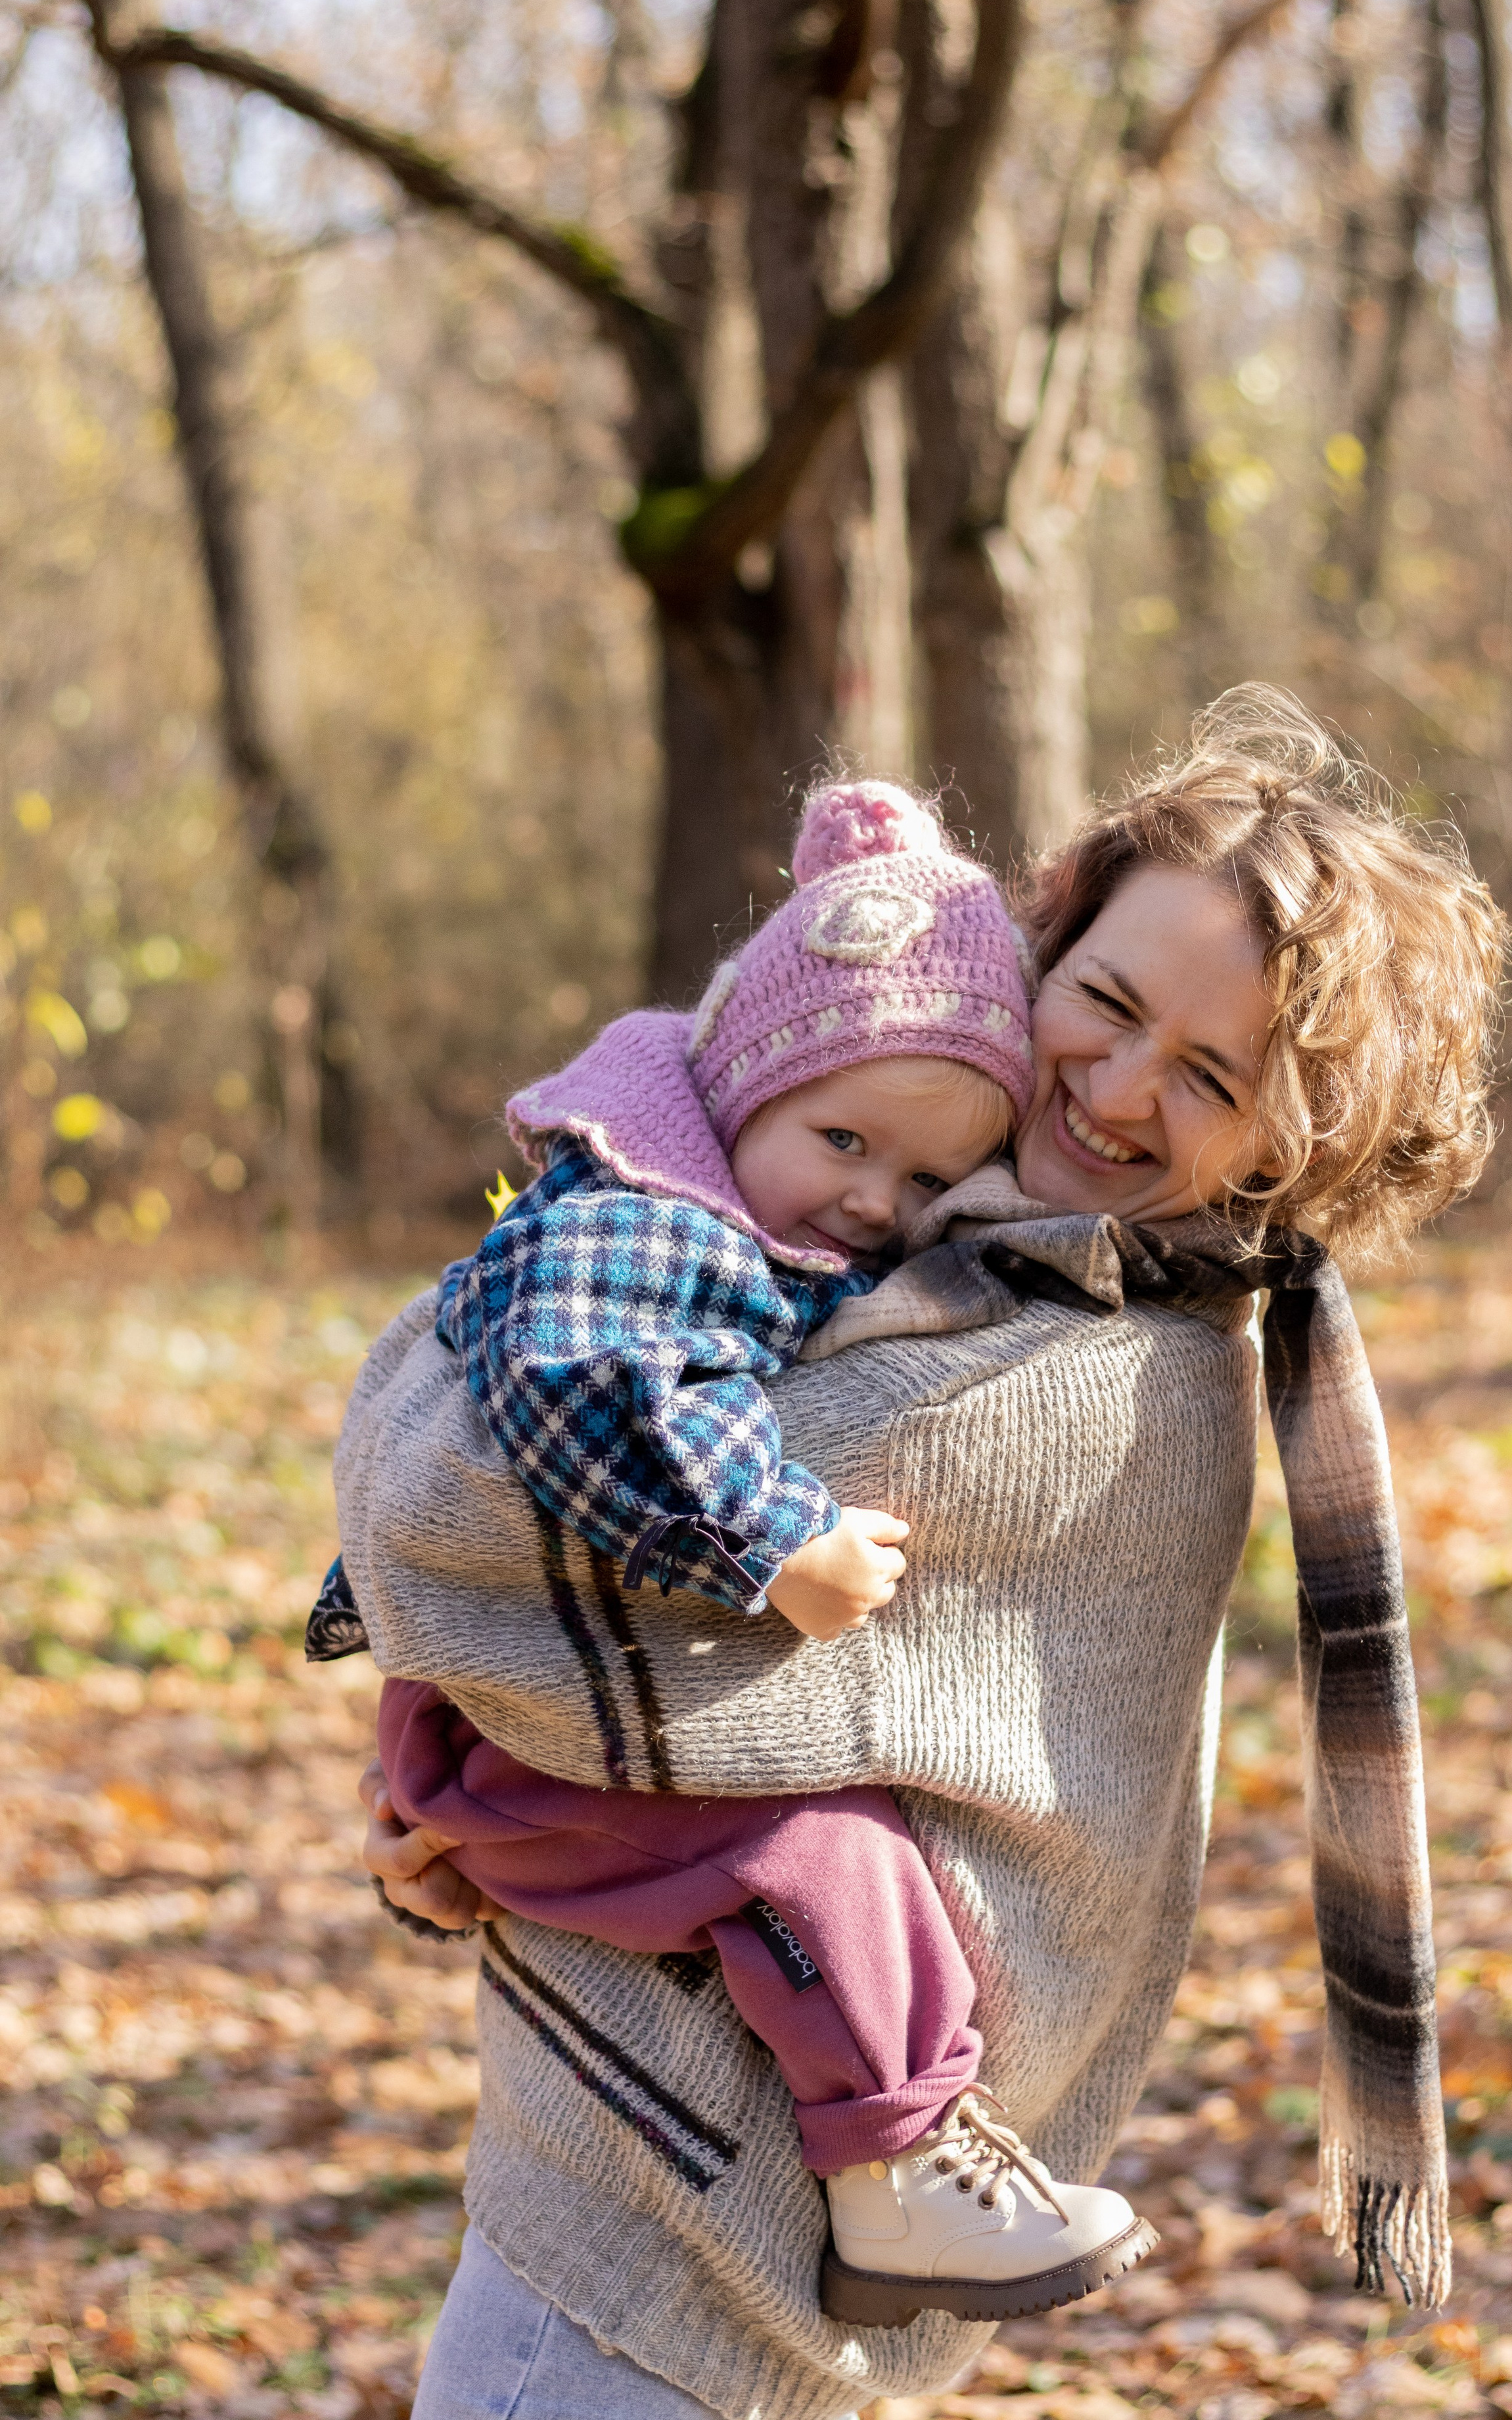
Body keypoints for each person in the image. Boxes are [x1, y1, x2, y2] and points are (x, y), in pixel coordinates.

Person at [347, 688, 1510, 2420]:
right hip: (664, 2178)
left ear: (1291, 1150)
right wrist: (456, 1781)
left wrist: (474, 1753)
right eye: (1104, 1002)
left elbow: (453, 1508)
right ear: (1042, 944)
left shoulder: (1077, 1372)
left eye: (1210, 1077)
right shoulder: (940, 1247)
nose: (1118, 1088)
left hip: (688, 2220)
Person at [319, 778, 1159, 2321]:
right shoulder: (645, 1227)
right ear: (736, 1089)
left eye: (923, 1182)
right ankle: (892, 2169)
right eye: (842, 1139)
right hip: (517, 1748)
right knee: (816, 1860)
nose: (872, 1201)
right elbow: (580, 1390)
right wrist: (774, 1539)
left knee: (838, 1852)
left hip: (503, 1734)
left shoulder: (737, 1215)